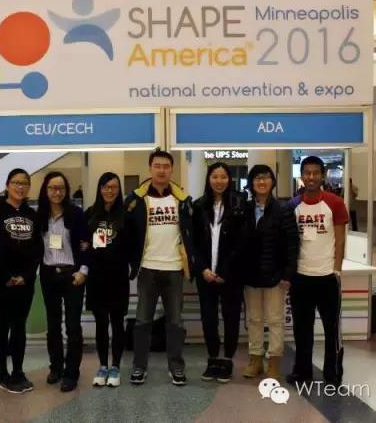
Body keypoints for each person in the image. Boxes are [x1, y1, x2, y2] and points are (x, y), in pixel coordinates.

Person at [125, 148, 196, 386]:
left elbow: (191, 233)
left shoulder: (183, 199)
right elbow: (127, 232)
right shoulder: (136, 200)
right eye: (157, 166)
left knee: (175, 322)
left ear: (172, 169)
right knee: (142, 322)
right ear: (150, 168)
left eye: (166, 166)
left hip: (174, 269)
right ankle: (139, 367)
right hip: (147, 268)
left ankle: (176, 367)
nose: (162, 170)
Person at [287, 156, 349, 387]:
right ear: (302, 176)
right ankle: (302, 371)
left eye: (315, 173)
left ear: (322, 176)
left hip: (327, 277)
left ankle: (333, 373)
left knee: (332, 330)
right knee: (302, 330)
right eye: (307, 173)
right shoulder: (293, 205)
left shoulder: (335, 203)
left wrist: (337, 269)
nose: (311, 177)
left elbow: (340, 240)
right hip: (301, 277)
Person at [0, 169, 42, 394]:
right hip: (1, 282)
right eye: (16, 182)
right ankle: (2, 375)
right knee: (2, 326)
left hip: (24, 282)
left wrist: (25, 276)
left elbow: (37, 249)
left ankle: (18, 371)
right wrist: (5, 276)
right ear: (7, 185)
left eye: (24, 183)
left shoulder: (31, 214)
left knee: (19, 327)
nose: (20, 187)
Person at [242, 165, 299, 381]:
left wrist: (288, 274)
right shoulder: (245, 209)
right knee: (254, 319)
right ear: (251, 183)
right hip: (251, 275)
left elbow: (292, 244)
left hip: (276, 275)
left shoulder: (283, 209)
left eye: (266, 177)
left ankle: (274, 361)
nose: (262, 182)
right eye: (257, 178)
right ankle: (255, 359)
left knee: (275, 320)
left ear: (272, 182)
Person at [192, 162, 245, 383]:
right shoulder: (198, 206)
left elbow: (241, 243)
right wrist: (203, 268)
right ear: (208, 179)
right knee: (209, 318)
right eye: (215, 176)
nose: (219, 181)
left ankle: (228, 360)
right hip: (206, 274)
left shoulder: (239, 204)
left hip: (230, 275)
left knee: (231, 317)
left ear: (229, 179)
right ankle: (213, 358)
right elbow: (193, 242)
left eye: (223, 177)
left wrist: (225, 270)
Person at [38, 172, 89, 392]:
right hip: (49, 275)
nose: (56, 192)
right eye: (52, 188)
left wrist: (83, 271)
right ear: (46, 190)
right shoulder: (40, 215)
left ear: (66, 190)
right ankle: (56, 368)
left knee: (72, 326)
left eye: (60, 188)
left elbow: (86, 244)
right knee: (53, 326)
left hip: (72, 276)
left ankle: (71, 373)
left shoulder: (76, 214)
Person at [84, 172, 130, 388]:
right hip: (96, 278)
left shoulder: (126, 215)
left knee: (117, 323)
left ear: (119, 190)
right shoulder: (90, 213)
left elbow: (132, 245)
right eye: (105, 187)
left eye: (113, 187)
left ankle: (116, 367)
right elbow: (84, 243)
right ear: (100, 189)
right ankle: (102, 365)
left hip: (118, 277)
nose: (109, 191)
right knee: (101, 323)